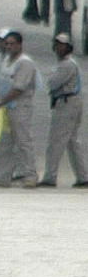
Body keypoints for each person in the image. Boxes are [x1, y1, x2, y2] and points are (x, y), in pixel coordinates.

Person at [0, 28, 43, 187]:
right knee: (4, 143)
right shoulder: (6, 61)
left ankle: (30, 175)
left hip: (20, 107)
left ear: (20, 45)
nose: (8, 47)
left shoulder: (25, 63)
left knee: (23, 141)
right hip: (6, 108)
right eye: (6, 44)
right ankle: (2, 177)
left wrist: (1, 101)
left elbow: (18, 88)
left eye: (12, 44)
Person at [44, 33, 86, 187]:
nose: (58, 48)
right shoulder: (64, 64)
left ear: (68, 47)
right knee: (73, 142)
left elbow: (52, 83)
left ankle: (50, 176)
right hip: (68, 102)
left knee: (56, 141)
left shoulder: (67, 65)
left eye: (62, 45)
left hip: (67, 102)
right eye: (57, 44)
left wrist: (51, 78)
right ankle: (83, 176)